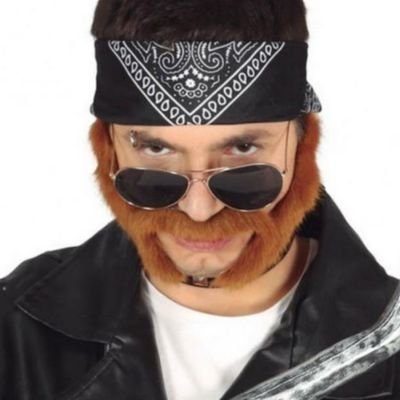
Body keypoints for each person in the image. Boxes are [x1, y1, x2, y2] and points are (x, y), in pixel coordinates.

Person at [0, 1, 399, 399]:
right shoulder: (14, 331)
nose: (199, 209)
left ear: (304, 147)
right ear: (108, 153)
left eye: (243, 149)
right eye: (156, 151)